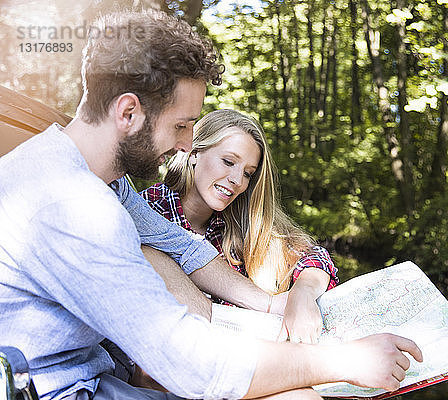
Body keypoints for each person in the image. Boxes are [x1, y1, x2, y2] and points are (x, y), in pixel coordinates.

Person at [0, 9, 422, 400]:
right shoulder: (74, 208)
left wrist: (276, 304)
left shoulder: (102, 179)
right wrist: (346, 361)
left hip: (98, 373)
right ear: (128, 111)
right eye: (181, 125)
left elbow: (178, 243)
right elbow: (191, 364)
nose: (186, 144)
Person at [141, 109, 338, 344]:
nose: (237, 181)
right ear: (194, 153)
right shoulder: (149, 211)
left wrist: (303, 292)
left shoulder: (236, 221)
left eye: (247, 173)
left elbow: (315, 256)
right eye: (228, 161)